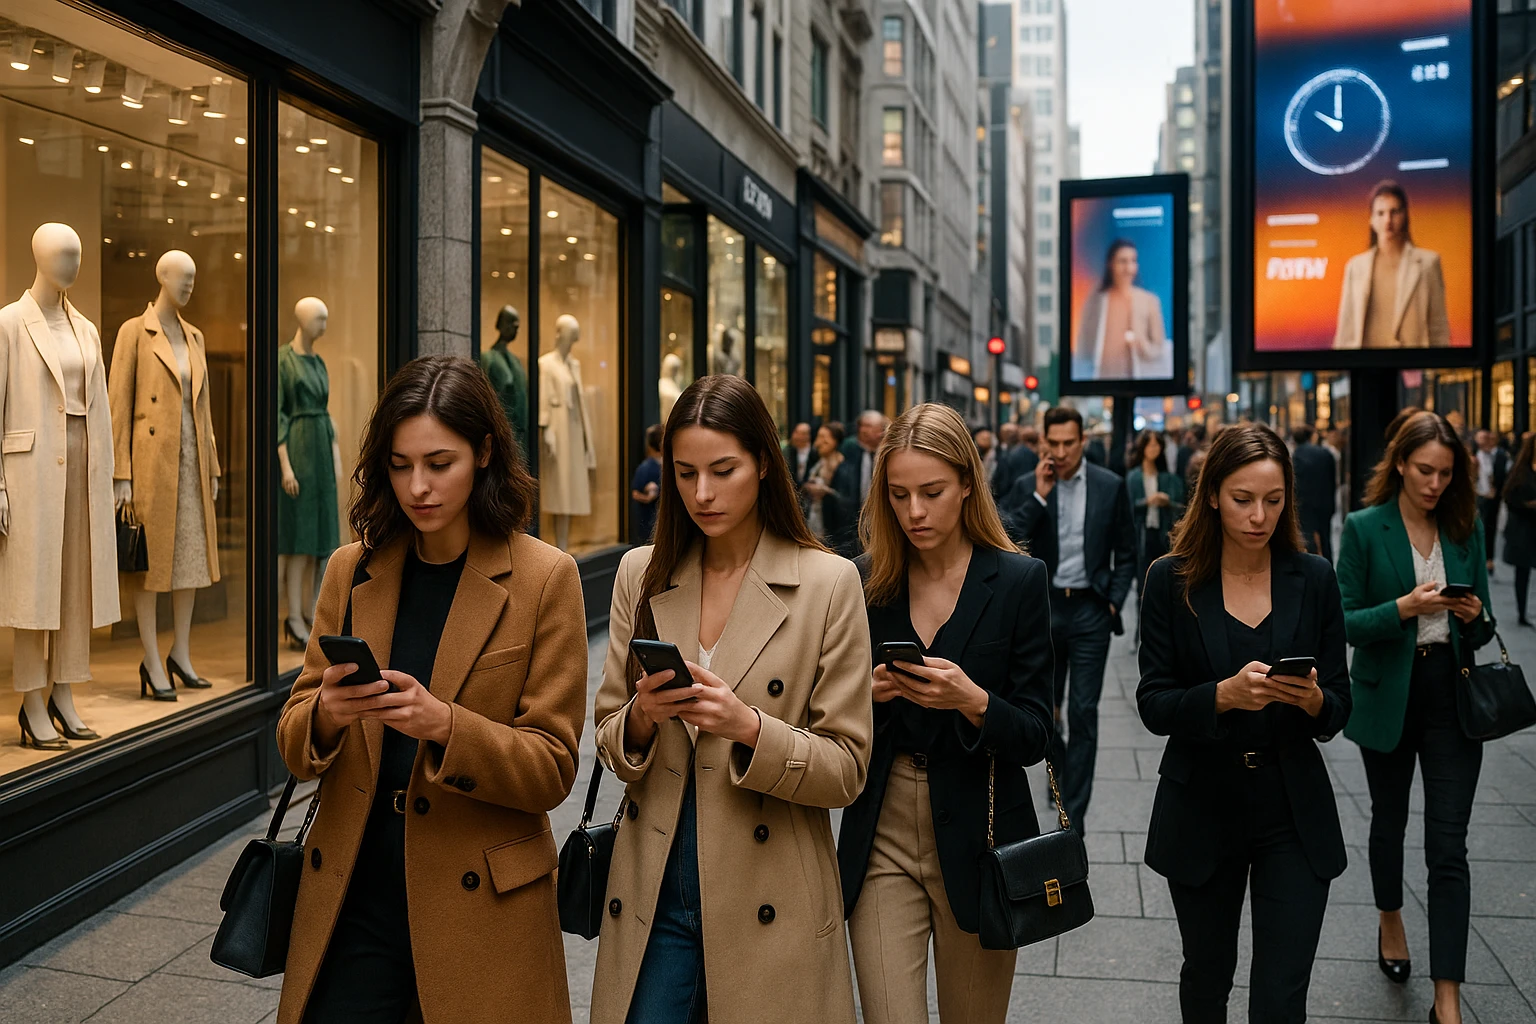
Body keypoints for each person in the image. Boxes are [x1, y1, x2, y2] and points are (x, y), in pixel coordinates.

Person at [274, 356, 587, 1024]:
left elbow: (552, 767)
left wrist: (446, 725)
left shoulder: (544, 579)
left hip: (480, 907)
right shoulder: (350, 570)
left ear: (483, 452)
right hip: (354, 895)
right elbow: (295, 739)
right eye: (399, 464)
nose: (418, 486)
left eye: (439, 463)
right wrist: (325, 714)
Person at [590, 374, 873, 1024]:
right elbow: (607, 731)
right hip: (654, 885)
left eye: (723, 470)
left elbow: (848, 768)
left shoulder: (828, 583)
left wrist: (748, 727)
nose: (703, 493)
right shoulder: (643, 571)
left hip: (771, 894)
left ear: (765, 464)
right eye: (685, 473)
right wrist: (641, 716)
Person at [838, 403, 1054, 1024]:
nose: (915, 513)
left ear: (967, 482)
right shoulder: (864, 581)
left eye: (931, 492)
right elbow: (823, 713)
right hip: (881, 827)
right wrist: (866, 697)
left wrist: (974, 701)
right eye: (899, 494)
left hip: (982, 833)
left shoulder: (1017, 581)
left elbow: (1037, 731)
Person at [1137, 423, 1351, 1024]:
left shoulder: (1313, 578)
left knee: (1282, 995)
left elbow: (1339, 701)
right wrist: (1222, 696)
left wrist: (1312, 703)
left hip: (1291, 805)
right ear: (1211, 495)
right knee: (1206, 977)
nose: (1259, 515)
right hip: (1202, 803)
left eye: (1274, 500)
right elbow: (1154, 703)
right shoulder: (1171, 579)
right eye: (1243, 499)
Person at [1336, 412, 1494, 1024]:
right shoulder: (1364, 527)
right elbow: (1345, 620)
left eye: (1446, 473)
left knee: (1448, 848)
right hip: (1388, 695)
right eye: (1425, 470)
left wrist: (1474, 616)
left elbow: (1484, 630)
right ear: (1400, 463)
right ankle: (1390, 919)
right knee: (1390, 820)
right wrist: (1403, 607)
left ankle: (1447, 999)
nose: (1434, 483)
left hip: (1451, 697)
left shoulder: (1464, 525)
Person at [1002, 405, 1136, 831]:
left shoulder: (1110, 485)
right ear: (1043, 442)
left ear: (1083, 442)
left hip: (1091, 610)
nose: (1060, 452)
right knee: (1048, 711)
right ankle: (1058, 771)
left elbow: (1127, 551)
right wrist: (1040, 496)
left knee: (1084, 711)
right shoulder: (1029, 484)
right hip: (1043, 610)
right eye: (1053, 443)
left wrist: (1114, 599)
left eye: (1068, 443)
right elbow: (1008, 542)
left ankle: (1072, 816)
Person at [1334, 181, 1451, 350]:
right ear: (1372, 219)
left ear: (1405, 215)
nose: (1388, 220)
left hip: (1414, 365)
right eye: (1380, 213)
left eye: (1394, 212)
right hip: (1366, 367)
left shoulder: (1428, 263)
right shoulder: (1356, 267)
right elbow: (1346, 328)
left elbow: (1438, 325)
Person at [1072, 239, 1171, 380]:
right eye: (1122, 261)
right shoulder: (1096, 300)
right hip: (1100, 380)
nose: (1128, 268)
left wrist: (1140, 343)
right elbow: (1083, 345)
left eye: (1133, 261)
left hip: (1137, 378)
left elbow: (1158, 347)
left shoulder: (1149, 301)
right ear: (1111, 264)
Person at [1123, 429, 1184, 640]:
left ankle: (1163, 630)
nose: (1153, 449)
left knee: (1166, 582)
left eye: (1157, 445)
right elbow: (1126, 508)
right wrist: (1146, 502)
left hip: (1163, 536)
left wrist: (1167, 502)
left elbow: (1181, 508)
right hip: (1142, 536)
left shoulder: (1168, 478)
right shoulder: (1133, 478)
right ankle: (1141, 631)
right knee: (1142, 583)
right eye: (1149, 445)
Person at [804, 421, 860, 555]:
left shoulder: (844, 468)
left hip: (835, 534)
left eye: (824, 438)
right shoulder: (816, 464)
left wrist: (827, 493)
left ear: (835, 441)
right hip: (813, 525)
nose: (818, 443)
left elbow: (850, 502)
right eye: (818, 437)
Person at [1291, 425, 1338, 562]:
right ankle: (1328, 565)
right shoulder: (1325, 453)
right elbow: (1332, 480)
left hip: (1305, 503)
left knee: (1307, 537)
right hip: (1324, 502)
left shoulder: (1297, 455)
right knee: (1326, 537)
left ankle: (1311, 566)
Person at [1503, 432, 1536, 626]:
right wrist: (1529, 505)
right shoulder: (1521, 470)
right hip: (1524, 529)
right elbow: (1509, 497)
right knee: (1522, 572)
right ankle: (1521, 612)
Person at [1472, 429, 1509, 576]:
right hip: (1475, 495)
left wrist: (1495, 490)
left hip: (1490, 497)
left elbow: (1500, 475)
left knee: (1489, 527)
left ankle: (1488, 558)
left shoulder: (1497, 456)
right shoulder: (1473, 455)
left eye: (1485, 439)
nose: (1483, 442)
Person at [843, 410, 890, 503]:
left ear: (881, 430)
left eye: (868, 426)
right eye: (861, 426)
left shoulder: (888, 450)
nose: (863, 430)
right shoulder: (850, 447)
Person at [631, 424, 664, 543]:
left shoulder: (669, 466)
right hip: (649, 525)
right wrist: (648, 497)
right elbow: (635, 493)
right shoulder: (646, 468)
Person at [783, 421, 818, 488]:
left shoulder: (815, 452)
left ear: (808, 436)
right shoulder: (788, 451)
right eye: (796, 432)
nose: (797, 436)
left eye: (802, 434)